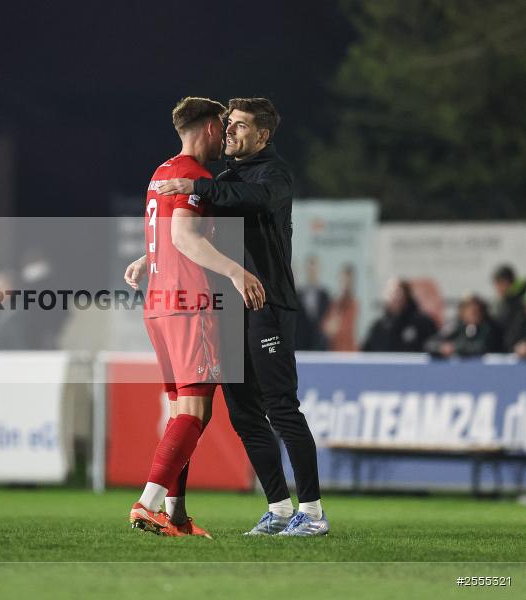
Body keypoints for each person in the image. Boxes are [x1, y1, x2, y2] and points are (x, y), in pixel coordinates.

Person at [146, 97, 328, 536]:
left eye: (241, 126)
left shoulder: (273, 174)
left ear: (263, 135)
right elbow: (195, 229)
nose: (230, 131)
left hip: (267, 302)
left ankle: (314, 513)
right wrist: (145, 256)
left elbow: (256, 199)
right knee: (244, 414)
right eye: (228, 124)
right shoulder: (223, 179)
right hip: (230, 308)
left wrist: (198, 187)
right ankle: (280, 508)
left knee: (282, 408)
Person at [124, 97, 265, 539]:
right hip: (189, 303)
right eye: (222, 126)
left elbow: (167, 231)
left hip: (158, 303)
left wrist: (146, 259)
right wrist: (236, 271)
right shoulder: (195, 176)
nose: (225, 135)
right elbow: (185, 236)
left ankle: (177, 515)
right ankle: (146, 504)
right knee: (197, 411)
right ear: (207, 128)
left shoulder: (161, 172)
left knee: (181, 411)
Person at [362, 278, 437, 352]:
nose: (394, 297)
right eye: (390, 293)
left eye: (398, 292)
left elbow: (436, 346)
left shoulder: (422, 323)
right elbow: (366, 353)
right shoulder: (378, 326)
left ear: (406, 295)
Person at [425, 294, 504, 358]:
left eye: (476, 312)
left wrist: (454, 348)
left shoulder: (489, 328)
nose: (473, 315)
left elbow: (482, 347)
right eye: (469, 311)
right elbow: (431, 343)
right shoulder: (456, 326)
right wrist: (441, 348)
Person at [295, 255, 331, 350]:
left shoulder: (325, 295)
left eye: (314, 268)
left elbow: (328, 320)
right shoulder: (298, 295)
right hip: (301, 344)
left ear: (318, 269)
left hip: (320, 344)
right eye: (310, 269)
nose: (312, 272)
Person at [322, 263, 358, 351]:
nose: (345, 284)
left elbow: (346, 330)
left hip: (349, 351)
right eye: (342, 280)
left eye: (347, 281)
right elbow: (325, 328)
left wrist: (335, 327)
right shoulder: (334, 303)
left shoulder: (354, 303)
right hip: (334, 351)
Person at [490, 265, 526, 351]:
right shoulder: (504, 302)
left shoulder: (518, 303)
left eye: (500, 283)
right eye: (496, 284)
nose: (498, 288)